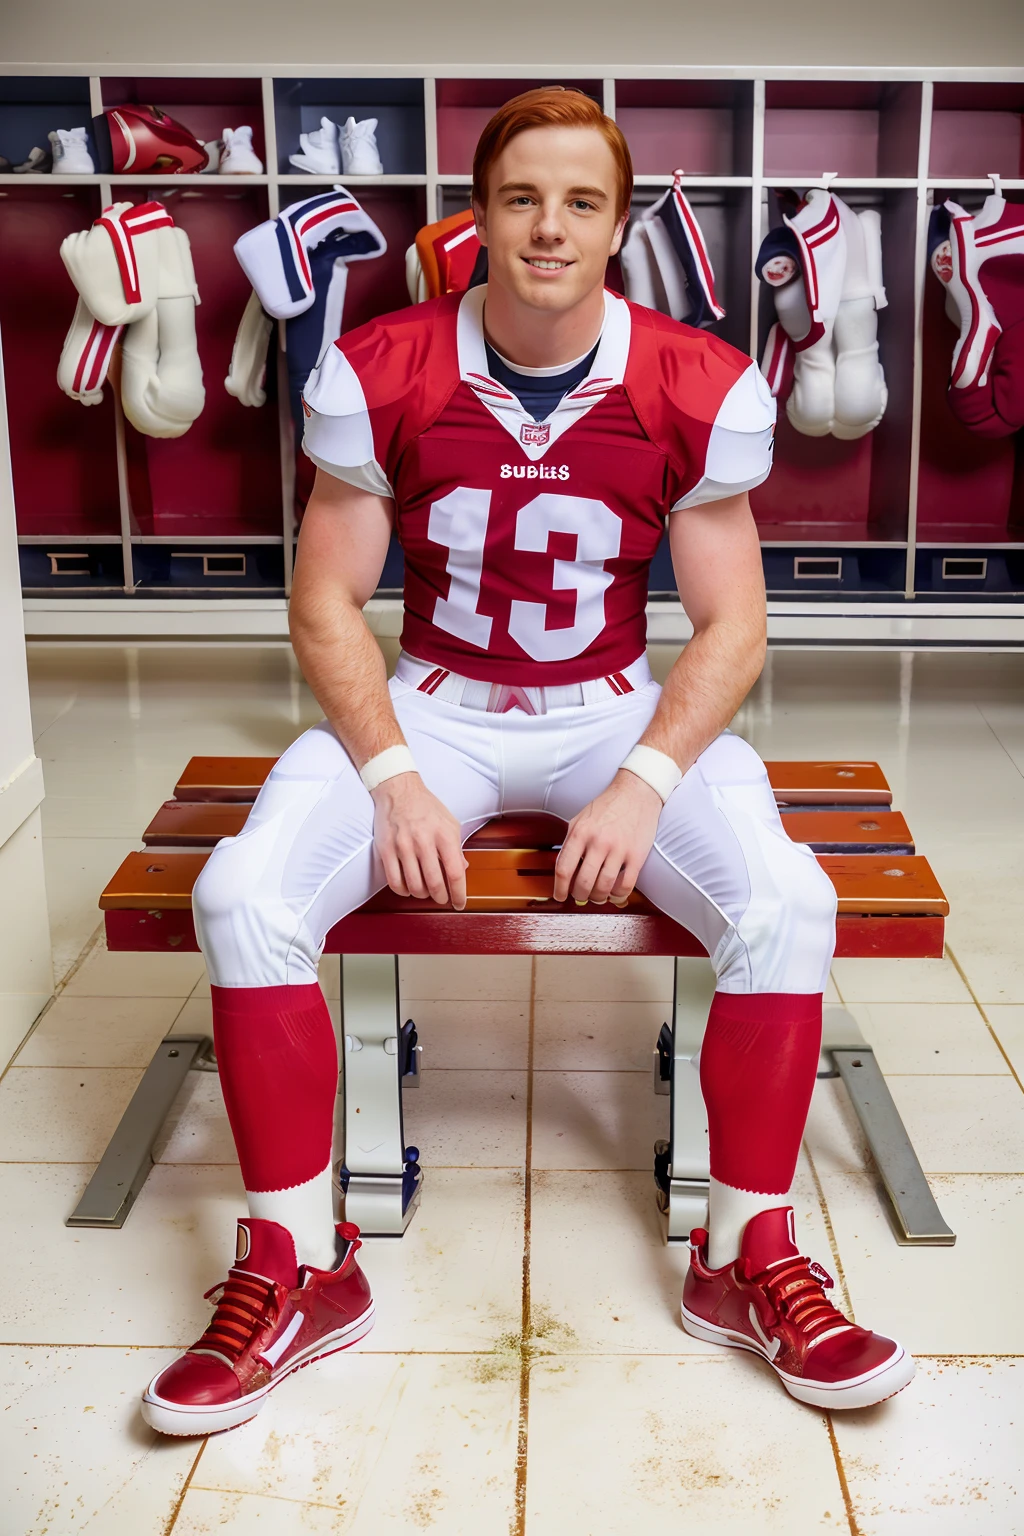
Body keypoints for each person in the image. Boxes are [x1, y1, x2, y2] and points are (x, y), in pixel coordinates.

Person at [140, 87, 914, 1436]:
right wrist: (388, 770)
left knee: (791, 902)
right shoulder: (378, 364)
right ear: (479, 213)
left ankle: (744, 1259)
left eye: (581, 201)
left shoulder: (692, 375)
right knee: (242, 893)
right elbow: (325, 603)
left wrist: (648, 777)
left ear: (618, 223)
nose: (548, 227)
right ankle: (298, 1265)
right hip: (435, 701)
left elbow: (734, 627)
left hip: (612, 704)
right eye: (520, 197)